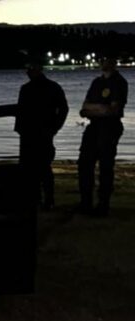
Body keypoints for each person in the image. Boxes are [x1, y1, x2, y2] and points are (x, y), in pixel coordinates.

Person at [77, 57, 128, 217]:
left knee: (105, 166)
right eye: (102, 60)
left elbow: (112, 110)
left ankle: (103, 204)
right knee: (84, 164)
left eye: (107, 60)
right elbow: (83, 108)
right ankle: (85, 203)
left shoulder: (119, 82)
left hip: (110, 127)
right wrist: (100, 108)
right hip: (94, 126)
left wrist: (93, 109)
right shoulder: (96, 82)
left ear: (113, 63)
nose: (103, 63)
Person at [15, 60, 69, 210]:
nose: (28, 72)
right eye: (27, 69)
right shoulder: (25, 88)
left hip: (43, 132)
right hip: (28, 133)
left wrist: (55, 127)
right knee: (29, 168)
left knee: (43, 167)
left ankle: (48, 199)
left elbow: (63, 109)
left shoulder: (52, 87)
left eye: (31, 69)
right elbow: (20, 110)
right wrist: (19, 128)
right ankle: (36, 199)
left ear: (39, 69)